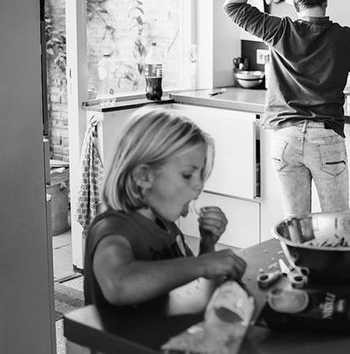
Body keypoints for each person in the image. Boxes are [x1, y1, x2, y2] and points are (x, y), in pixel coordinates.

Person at [223, 0, 350, 217]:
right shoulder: (344, 37)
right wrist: (339, 85)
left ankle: (298, 263)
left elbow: (232, 7)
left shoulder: (280, 30)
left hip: (285, 139)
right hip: (326, 140)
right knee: (337, 222)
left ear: (295, 3)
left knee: (296, 226)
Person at [83, 108, 247, 307]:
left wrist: (207, 245)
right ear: (143, 177)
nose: (199, 185)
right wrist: (203, 264)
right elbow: (118, 285)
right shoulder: (112, 228)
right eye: (188, 175)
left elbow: (191, 282)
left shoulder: (167, 226)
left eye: (200, 175)